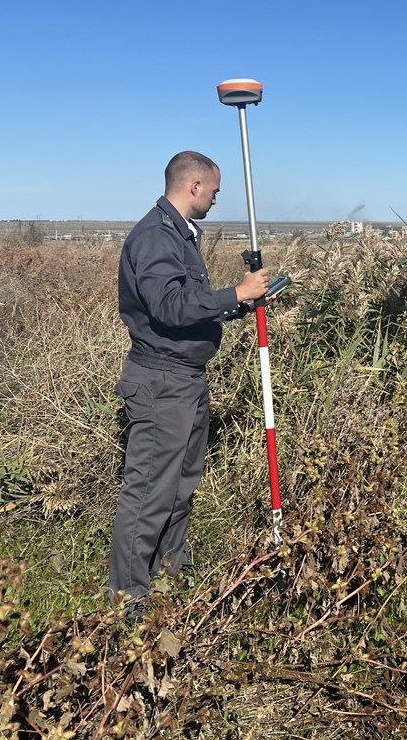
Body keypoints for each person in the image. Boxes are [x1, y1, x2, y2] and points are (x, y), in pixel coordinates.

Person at [108, 150, 271, 606]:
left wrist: (237, 303)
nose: (217, 200)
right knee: (148, 491)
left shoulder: (180, 236)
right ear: (194, 185)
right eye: (214, 191)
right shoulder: (155, 238)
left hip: (185, 378)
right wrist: (235, 291)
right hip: (161, 380)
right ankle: (128, 602)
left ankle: (168, 576)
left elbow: (190, 304)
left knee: (180, 486)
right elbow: (168, 308)